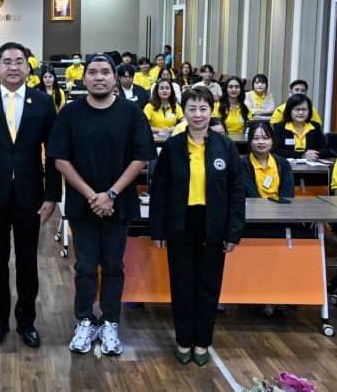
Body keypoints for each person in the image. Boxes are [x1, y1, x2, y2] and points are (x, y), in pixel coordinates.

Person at [48, 55, 156, 356]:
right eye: (93, 72)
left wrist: (110, 194)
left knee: (113, 265)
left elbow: (141, 157)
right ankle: (84, 320)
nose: (99, 77)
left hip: (118, 203)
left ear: (115, 77)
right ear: (84, 78)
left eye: (105, 72)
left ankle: (110, 321)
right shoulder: (70, 113)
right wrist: (92, 196)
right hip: (83, 204)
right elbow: (60, 159)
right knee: (84, 265)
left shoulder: (131, 112)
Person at [0, 42, 62, 349]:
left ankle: (26, 321)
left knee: (27, 262)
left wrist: (51, 196)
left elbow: (54, 152)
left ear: (28, 67)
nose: (13, 67)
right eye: (7, 62)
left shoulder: (43, 102)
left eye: (19, 61)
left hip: (30, 195)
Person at [149, 87, 245, 367]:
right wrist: (157, 230)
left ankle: (202, 342)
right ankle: (183, 340)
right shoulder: (173, 147)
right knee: (182, 285)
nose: (198, 114)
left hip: (213, 224)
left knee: (208, 285)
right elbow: (160, 191)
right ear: (184, 111)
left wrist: (233, 232)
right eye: (192, 108)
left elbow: (236, 192)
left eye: (203, 108)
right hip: (180, 223)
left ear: (211, 110)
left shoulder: (225, 146)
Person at [243, 121, 294, 200]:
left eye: (265, 138)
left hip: (280, 206)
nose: (261, 142)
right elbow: (249, 195)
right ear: (250, 141)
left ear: (272, 140)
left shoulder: (283, 163)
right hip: (254, 206)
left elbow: (288, 193)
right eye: (256, 138)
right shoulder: (242, 165)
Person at [272, 94, 331, 160]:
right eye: (297, 109)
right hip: (286, 164)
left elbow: (326, 150)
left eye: (304, 109)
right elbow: (276, 151)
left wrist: (313, 154)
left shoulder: (315, 127)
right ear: (289, 111)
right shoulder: (280, 127)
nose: (301, 113)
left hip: (311, 164)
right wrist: (302, 155)